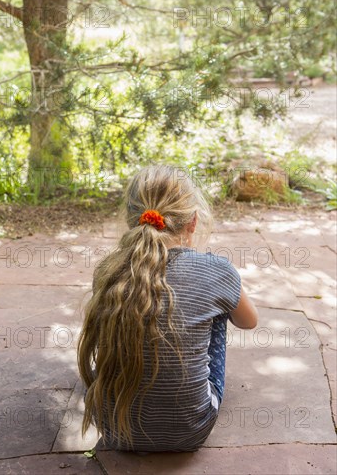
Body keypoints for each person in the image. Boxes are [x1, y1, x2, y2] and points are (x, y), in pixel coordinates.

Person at [77, 165, 258, 452]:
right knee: (219, 308)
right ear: (193, 221)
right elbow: (249, 322)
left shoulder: (109, 269)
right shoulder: (217, 270)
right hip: (189, 431)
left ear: (131, 220)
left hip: (115, 430)